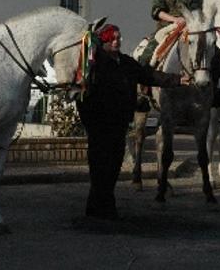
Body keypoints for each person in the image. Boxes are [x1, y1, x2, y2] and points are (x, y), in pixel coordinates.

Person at [77, 24, 182, 220]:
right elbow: (83, 99)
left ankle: (105, 207)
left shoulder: (125, 63)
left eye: (118, 38)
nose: (117, 41)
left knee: (114, 166)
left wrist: (176, 80)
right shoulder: (95, 66)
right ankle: (98, 209)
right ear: (104, 42)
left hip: (119, 125)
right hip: (100, 126)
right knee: (100, 168)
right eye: (113, 39)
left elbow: (148, 75)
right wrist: (90, 124)